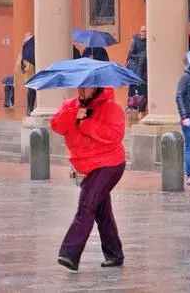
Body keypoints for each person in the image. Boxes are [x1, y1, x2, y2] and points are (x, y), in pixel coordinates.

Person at [51, 86, 126, 272]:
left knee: (86, 205)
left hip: (110, 164)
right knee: (102, 210)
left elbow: (115, 135)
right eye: (80, 86)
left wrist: (86, 124)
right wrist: (74, 115)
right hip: (87, 167)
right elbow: (56, 125)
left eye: (86, 87)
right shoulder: (70, 106)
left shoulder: (112, 109)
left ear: (97, 88)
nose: (81, 90)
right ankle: (114, 253)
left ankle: (70, 253)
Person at [126, 26, 148, 119]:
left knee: (143, 93)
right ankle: (135, 111)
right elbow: (130, 55)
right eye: (142, 31)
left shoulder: (149, 41)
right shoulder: (135, 40)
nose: (144, 33)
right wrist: (142, 56)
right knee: (136, 92)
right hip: (136, 70)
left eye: (146, 31)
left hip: (146, 70)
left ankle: (142, 112)